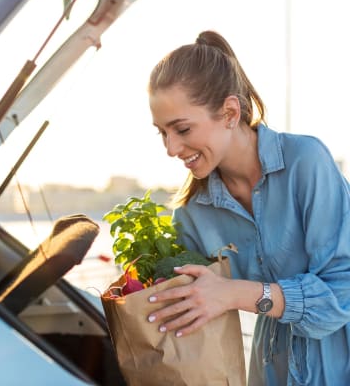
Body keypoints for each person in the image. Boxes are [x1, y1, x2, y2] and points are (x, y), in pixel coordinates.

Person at [146, 30, 350, 385]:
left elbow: (341, 294)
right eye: (162, 132)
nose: (171, 148)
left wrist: (233, 294)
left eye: (181, 129)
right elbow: (193, 311)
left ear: (229, 112)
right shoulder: (191, 213)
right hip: (270, 371)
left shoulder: (306, 162)